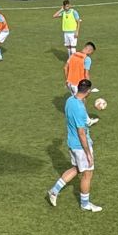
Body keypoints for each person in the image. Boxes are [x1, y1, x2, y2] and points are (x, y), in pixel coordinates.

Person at [44, 79, 102, 212]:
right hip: (80, 145)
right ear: (87, 92)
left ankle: (54, 191)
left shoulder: (70, 100)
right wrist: (88, 153)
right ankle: (85, 204)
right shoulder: (80, 109)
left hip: (71, 142)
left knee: (76, 168)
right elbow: (81, 133)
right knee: (87, 174)